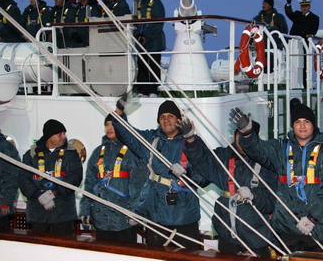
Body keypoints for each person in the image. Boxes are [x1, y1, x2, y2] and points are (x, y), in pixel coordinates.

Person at [230, 103, 323, 252]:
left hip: (320, 229)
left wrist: (312, 218)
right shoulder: (281, 148)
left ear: (313, 125)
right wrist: (247, 133)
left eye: (306, 122)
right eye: (297, 122)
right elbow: (258, 150)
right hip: (287, 227)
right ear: (292, 126)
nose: (302, 126)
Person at [111, 98, 208, 249]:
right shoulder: (151, 140)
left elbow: (205, 176)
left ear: (178, 119)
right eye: (162, 117)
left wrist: (187, 173)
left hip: (184, 216)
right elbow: (127, 134)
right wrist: (119, 111)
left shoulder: (191, 142)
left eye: (170, 116)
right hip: (156, 214)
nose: (166, 120)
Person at [181, 119, 278, 257]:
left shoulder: (266, 163)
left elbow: (271, 202)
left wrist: (253, 196)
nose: (242, 141)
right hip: (227, 236)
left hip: (256, 238)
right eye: (240, 135)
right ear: (234, 136)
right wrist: (191, 139)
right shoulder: (223, 157)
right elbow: (203, 161)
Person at [79, 114, 148, 242]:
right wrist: (85, 209)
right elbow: (89, 184)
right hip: (100, 219)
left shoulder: (133, 152)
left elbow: (139, 185)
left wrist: (134, 212)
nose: (109, 128)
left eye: (113, 124)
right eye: (107, 125)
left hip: (124, 220)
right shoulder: (97, 153)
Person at [19, 119, 83, 235]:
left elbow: (75, 177)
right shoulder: (31, 155)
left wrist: (55, 192)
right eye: (59, 134)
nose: (63, 137)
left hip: (62, 215)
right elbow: (23, 178)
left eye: (64, 133)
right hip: (38, 214)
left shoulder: (71, 154)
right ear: (49, 136)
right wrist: (38, 194)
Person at [133, 0, 166, 98]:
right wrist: (137, 35)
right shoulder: (138, 4)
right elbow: (135, 21)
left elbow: (158, 23)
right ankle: (143, 90)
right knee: (141, 64)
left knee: (153, 65)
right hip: (140, 40)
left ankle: (154, 90)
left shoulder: (156, 4)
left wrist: (146, 36)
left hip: (154, 42)